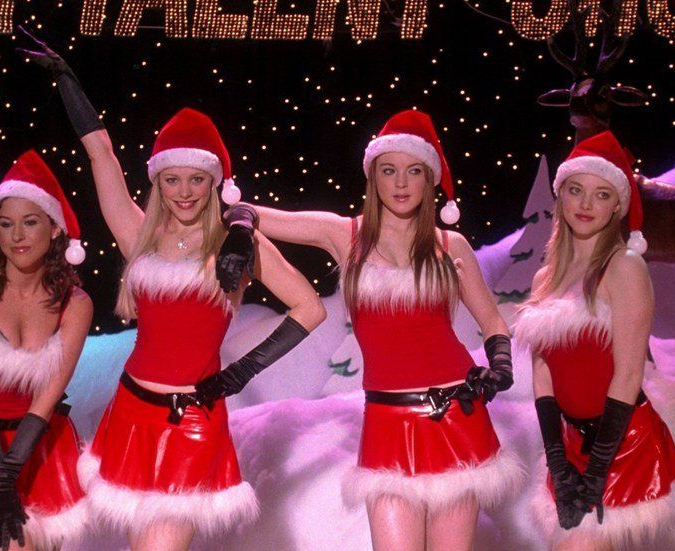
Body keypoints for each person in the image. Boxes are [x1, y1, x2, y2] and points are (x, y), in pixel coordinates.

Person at [18, 30, 326, 551]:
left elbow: (310, 307)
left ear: (215, 182)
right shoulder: (139, 235)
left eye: (196, 179)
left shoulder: (238, 244)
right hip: (130, 412)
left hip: (191, 423)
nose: (184, 192)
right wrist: (67, 80)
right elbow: (101, 155)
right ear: (157, 182)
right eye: (172, 179)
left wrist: (240, 373)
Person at [217, 110, 523, 550]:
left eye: (413, 171)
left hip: (457, 419)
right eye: (389, 170)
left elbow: (492, 319)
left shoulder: (449, 245)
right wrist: (241, 229)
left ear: (430, 180)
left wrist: (501, 364)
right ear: (373, 176)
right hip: (387, 424)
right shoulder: (345, 234)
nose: (400, 182)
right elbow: (245, 212)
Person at [513, 130, 675, 549]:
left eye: (601, 194)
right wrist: (557, 460)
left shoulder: (625, 267)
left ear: (618, 205)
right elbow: (543, 374)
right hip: (570, 444)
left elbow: (629, 372)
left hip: (620, 443)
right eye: (576, 190)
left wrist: (597, 469)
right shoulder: (545, 278)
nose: (585, 204)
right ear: (560, 195)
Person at [0, 150, 92, 550]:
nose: (17, 236)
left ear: (55, 228)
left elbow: (47, 398)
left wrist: (11, 472)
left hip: (41, 442)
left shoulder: (75, 303)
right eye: (6, 225)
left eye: (30, 222)